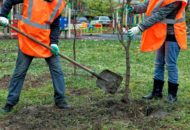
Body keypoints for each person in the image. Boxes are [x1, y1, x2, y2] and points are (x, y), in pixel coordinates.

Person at [0, 0, 70, 114]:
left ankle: (60, 100)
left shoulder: (58, 3)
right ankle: (10, 103)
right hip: (27, 39)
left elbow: (55, 25)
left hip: (46, 42)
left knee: (57, 70)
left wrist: (54, 43)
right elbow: (10, 1)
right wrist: (2, 15)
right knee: (19, 72)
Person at [127, 0, 187, 103]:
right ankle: (156, 92)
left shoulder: (175, 1)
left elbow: (159, 14)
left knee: (171, 65)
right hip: (160, 34)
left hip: (174, 34)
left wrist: (139, 28)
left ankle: (172, 95)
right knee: (159, 63)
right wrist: (135, 9)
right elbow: (147, 5)